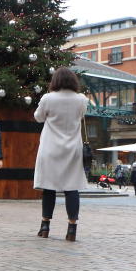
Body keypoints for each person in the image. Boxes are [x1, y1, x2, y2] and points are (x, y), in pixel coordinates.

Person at [32, 67, 89, 241]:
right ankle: (72, 228)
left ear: (55, 81)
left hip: (50, 147)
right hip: (72, 148)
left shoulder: (48, 98)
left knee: (49, 187)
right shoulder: (81, 100)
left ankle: (45, 225)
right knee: (71, 187)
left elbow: (38, 117)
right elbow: (81, 116)